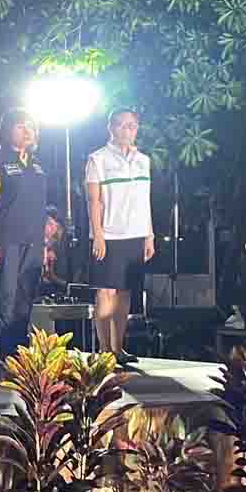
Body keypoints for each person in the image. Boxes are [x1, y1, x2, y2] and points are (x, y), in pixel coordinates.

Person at [0, 108, 47, 368]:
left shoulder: (38, 165)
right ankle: (3, 352)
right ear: (7, 131)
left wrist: (44, 243)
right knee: (5, 296)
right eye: (20, 125)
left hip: (34, 240)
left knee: (25, 296)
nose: (27, 130)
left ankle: (20, 349)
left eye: (31, 126)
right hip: (6, 239)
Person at [85, 108, 154, 365]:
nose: (127, 130)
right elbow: (94, 201)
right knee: (106, 292)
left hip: (135, 233)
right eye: (122, 125)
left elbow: (145, 200)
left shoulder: (143, 160)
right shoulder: (98, 159)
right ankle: (104, 350)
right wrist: (98, 235)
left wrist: (149, 235)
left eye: (132, 126)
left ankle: (118, 348)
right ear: (111, 128)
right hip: (109, 235)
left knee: (125, 292)